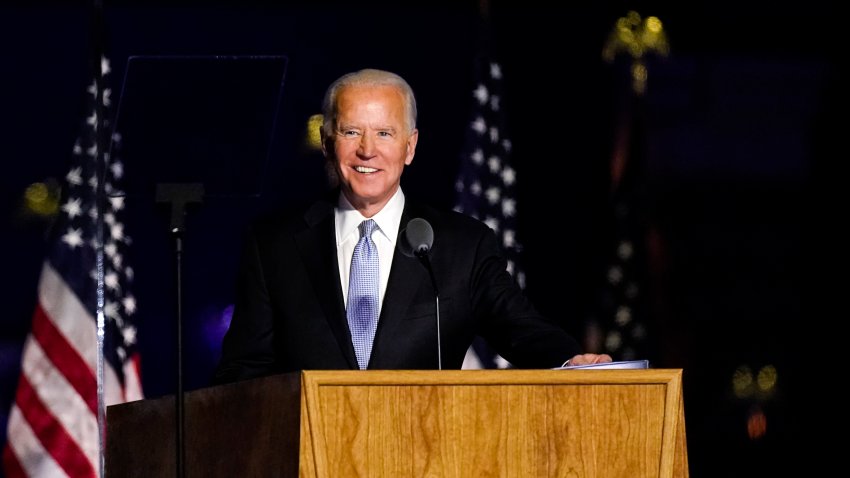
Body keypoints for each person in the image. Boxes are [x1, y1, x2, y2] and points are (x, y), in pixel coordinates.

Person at [213, 68, 610, 384]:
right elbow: (242, 372)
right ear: (326, 141)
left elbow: (520, 328)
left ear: (410, 146)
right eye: (352, 131)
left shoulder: (462, 246)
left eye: (384, 133)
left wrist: (570, 359)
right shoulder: (275, 245)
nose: (367, 150)